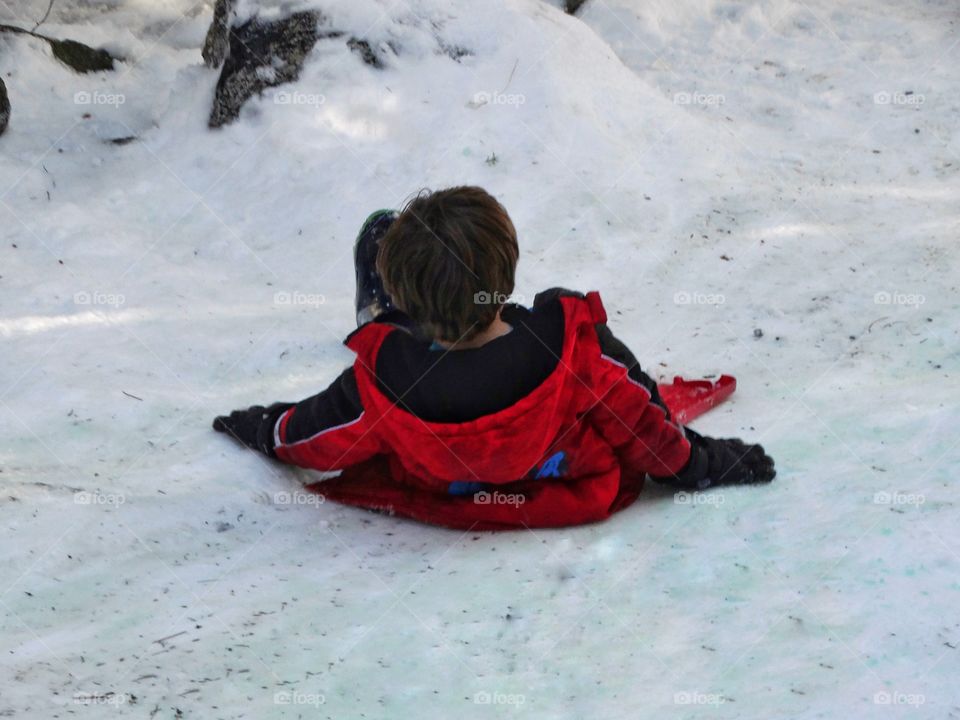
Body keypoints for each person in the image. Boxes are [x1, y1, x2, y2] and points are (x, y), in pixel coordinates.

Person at [213, 186, 775, 529]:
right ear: (507, 271)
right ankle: (442, 289)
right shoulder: (576, 351)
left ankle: (391, 305)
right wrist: (708, 464)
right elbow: (648, 434)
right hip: (565, 489)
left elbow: (310, 435)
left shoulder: (382, 383)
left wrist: (259, 427)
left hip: (447, 488)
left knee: (390, 294)